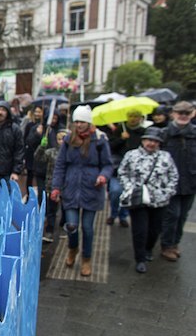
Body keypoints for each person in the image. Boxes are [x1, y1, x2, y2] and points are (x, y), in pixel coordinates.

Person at [51, 105, 113, 277]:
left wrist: (103, 176)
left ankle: (86, 258)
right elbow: (60, 165)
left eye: (82, 122)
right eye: (76, 121)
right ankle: (72, 248)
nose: (79, 125)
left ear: (89, 122)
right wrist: (56, 187)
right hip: (71, 187)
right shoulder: (68, 139)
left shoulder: (100, 139)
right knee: (71, 225)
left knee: (87, 227)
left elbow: (108, 164)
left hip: (91, 188)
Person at [118, 127, 178, 273]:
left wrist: (168, 192)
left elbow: (173, 176)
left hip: (159, 200)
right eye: (149, 140)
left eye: (155, 141)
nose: (151, 143)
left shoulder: (165, 156)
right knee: (140, 230)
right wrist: (129, 187)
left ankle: (148, 249)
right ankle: (140, 258)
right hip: (138, 199)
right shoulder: (131, 155)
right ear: (143, 140)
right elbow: (122, 172)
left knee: (155, 229)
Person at [159, 101, 196, 261]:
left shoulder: (194, 134)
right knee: (172, 215)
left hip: (191, 182)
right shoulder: (164, 133)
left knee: (183, 215)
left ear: (192, 114)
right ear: (173, 113)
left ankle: (175, 243)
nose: (183, 116)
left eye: (186, 113)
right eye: (180, 112)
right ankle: (167, 245)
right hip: (170, 183)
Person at [106, 109, 146, 227]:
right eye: (131, 116)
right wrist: (121, 139)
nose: (133, 119)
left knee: (129, 194)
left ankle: (123, 216)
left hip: (135, 169)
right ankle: (113, 214)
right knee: (115, 192)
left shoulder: (143, 132)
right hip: (118, 168)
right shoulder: (119, 130)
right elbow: (110, 147)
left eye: (136, 116)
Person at [34, 128, 70, 243]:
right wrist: (42, 147)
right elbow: (38, 157)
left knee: (66, 208)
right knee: (51, 210)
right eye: (59, 139)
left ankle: (64, 225)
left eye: (64, 138)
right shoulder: (52, 152)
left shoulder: (72, 153)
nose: (61, 141)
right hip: (52, 185)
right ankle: (49, 231)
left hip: (67, 186)